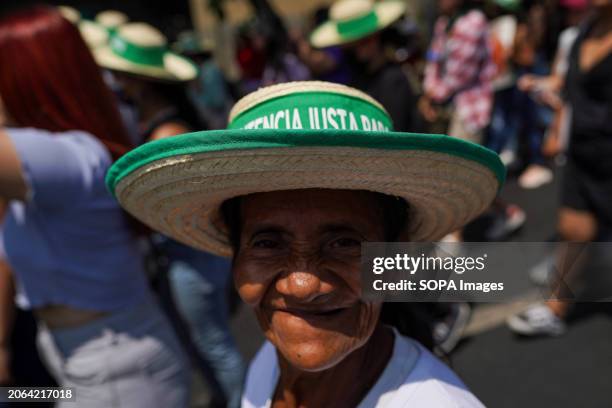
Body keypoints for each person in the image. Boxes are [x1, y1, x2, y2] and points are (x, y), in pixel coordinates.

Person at [107, 80, 505, 407]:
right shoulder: (269, 363)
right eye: (266, 243)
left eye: (344, 243)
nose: (301, 286)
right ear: (236, 253)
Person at [0, 7, 190, 407]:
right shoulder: (49, 159)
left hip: (118, 367)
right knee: (15, 399)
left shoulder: (68, 156)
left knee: (216, 345)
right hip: (69, 358)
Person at [92, 22, 246, 406]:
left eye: (120, 75)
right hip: (189, 256)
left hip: (191, 257)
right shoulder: (166, 123)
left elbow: (181, 207)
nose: (114, 81)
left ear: (139, 81)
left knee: (213, 344)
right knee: (207, 342)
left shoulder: (167, 133)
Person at [507, 0, 612, 336]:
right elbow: (572, 91)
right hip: (584, 154)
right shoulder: (584, 30)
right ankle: (556, 307)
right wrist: (555, 129)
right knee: (573, 229)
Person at [310, 0, 419, 132]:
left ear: (376, 37)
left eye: (363, 42)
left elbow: (393, 131)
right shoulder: (358, 78)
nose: (356, 49)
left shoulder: (393, 79)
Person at [421, 0, 497, 144]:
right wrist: (428, 92)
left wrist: (432, 96)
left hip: (468, 111)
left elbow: (459, 75)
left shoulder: (475, 21)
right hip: (443, 105)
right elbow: (433, 59)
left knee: (459, 163)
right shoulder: (444, 22)